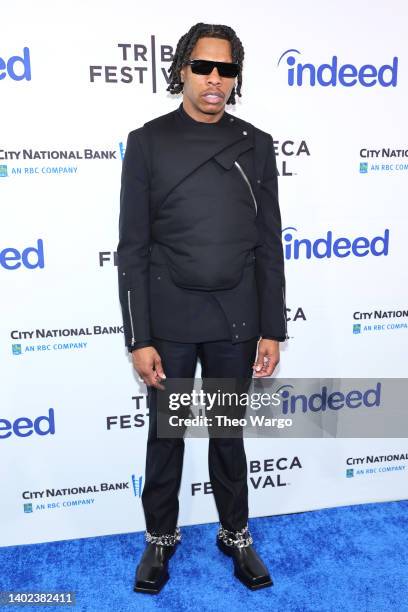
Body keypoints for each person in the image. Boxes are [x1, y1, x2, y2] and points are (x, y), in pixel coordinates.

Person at [117, 22, 288, 594]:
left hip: (235, 319)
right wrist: (139, 337)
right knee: (166, 437)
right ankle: (160, 540)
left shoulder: (256, 143)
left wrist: (272, 327)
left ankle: (234, 534)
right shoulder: (147, 142)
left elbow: (269, 243)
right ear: (182, 72)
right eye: (204, 67)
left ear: (237, 77)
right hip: (168, 320)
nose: (215, 79)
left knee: (227, 434)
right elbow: (133, 248)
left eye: (227, 69)